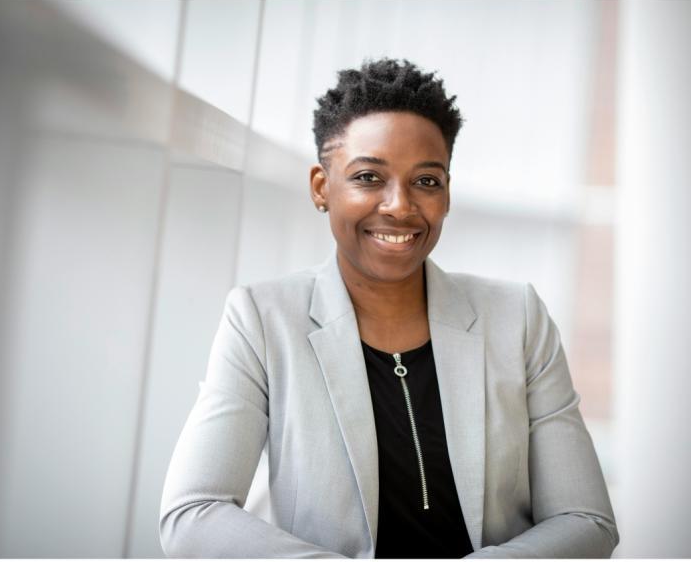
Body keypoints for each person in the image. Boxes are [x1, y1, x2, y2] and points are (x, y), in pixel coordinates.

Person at [159, 58, 619, 558]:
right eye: (368, 177)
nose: (400, 205)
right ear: (321, 187)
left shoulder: (518, 319)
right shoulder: (262, 319)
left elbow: (586, 520)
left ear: (447, 194)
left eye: (426, 181)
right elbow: (193, 514)